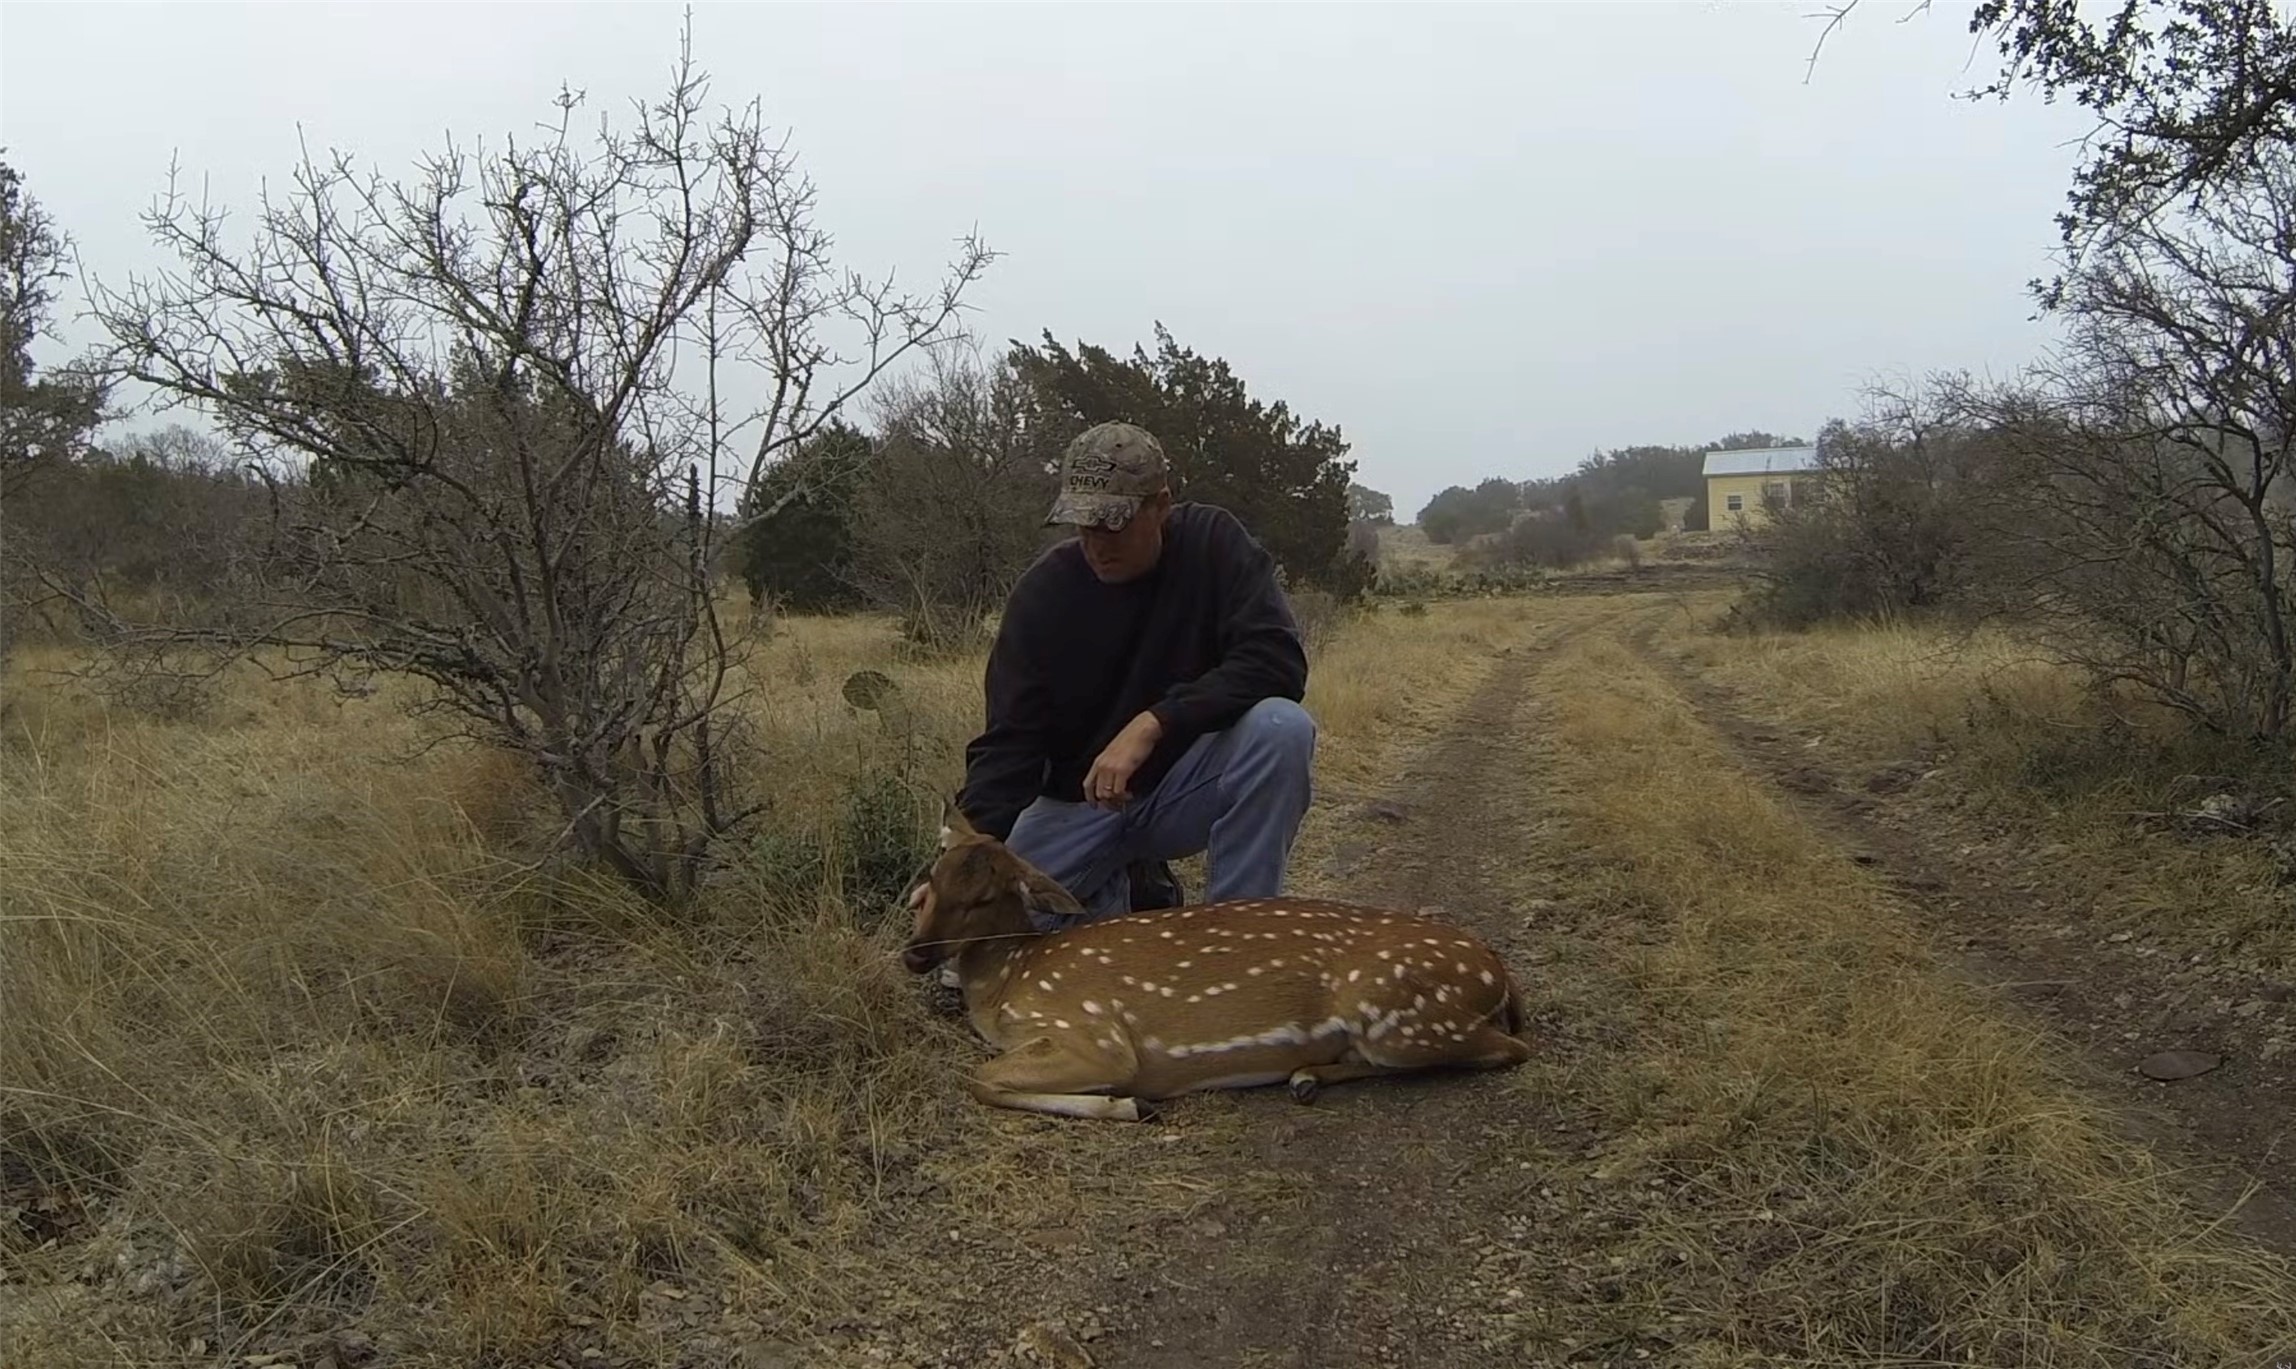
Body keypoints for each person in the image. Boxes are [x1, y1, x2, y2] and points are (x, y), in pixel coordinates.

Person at [946, 419, 1318, 931]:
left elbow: (1276, 660)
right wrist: (963, 856)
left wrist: (1155, 722)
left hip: (1180, 791)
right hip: (1076, 808)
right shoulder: (1043, 595)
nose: (1097, 544)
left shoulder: (1213, 543)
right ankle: (1128, 888)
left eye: (1114, 523)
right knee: (981, 934)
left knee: (1282, 729)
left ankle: (1238, 936)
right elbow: (1011, 743)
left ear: (1161, 505)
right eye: (1084, 525)